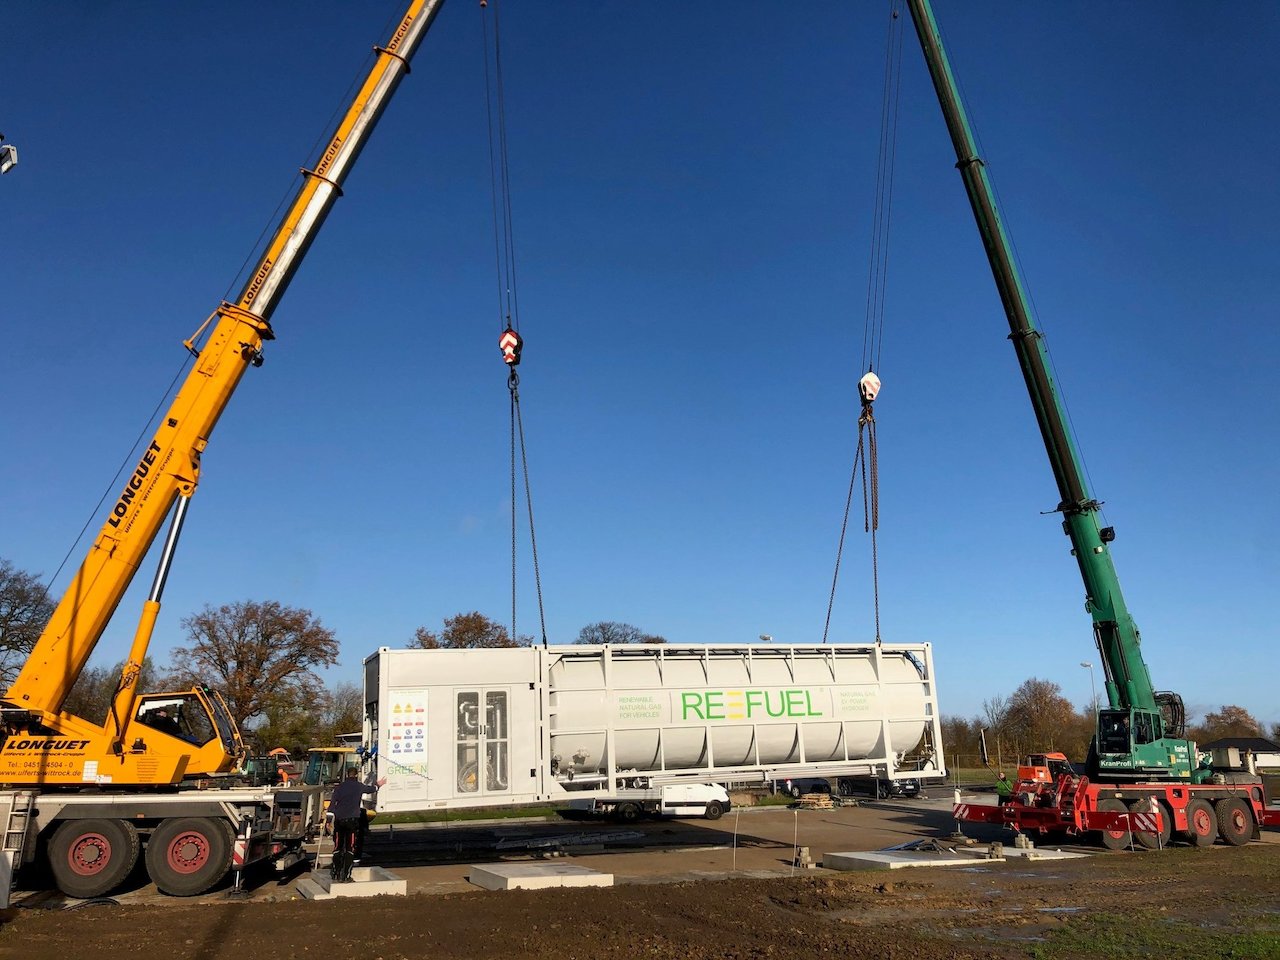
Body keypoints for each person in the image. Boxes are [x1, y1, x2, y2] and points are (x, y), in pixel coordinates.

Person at [328, 769, 386, 882]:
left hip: (339, 820)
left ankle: (335, 872)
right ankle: (346, 875)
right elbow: (371, 789)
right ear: (356, 775)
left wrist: (328, 821)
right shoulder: (359, 786)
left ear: (346, 775)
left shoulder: (339, 787)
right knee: (350, 847)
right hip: (352, 821)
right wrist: (378, 785)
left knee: (338, 847)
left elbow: (332, 805)